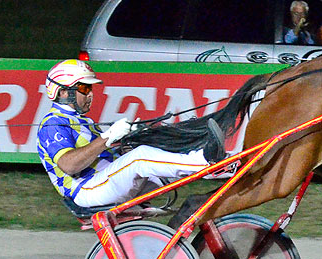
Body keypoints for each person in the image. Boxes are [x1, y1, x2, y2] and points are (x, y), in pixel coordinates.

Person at [36, 59, 219, 211]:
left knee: (159, 154)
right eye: (84, 89)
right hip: (86, 190)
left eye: (90, 89)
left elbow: (100, 154)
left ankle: (219, 167)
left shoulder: (83, 121)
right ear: (63, 92)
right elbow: (69, 165)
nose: (90, 94)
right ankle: (207, 161)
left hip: (103, 182)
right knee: (140, 158)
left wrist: (126, 141)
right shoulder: (52, 124)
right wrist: (108, 137)